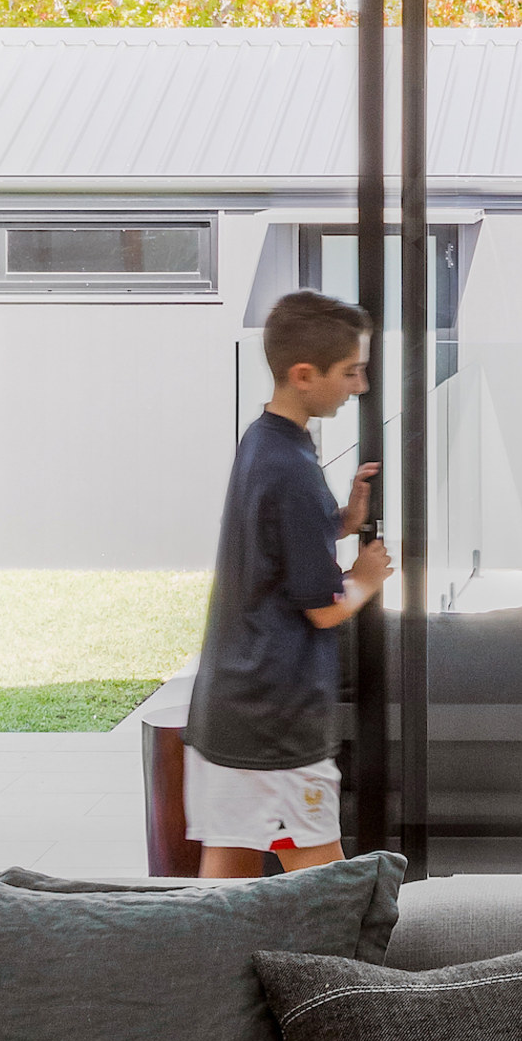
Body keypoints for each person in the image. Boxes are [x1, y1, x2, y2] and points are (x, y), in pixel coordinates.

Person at [183, 290, 391, 875]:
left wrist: (340, 520)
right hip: (278, 718)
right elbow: (323, 610)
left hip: (232, 705)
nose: (360, 387)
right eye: (350, 372)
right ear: (304, 374)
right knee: (328, 888)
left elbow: (273, 543)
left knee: (225, 879)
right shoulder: (292, 469)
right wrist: (367, 578)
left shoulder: (266, 440)